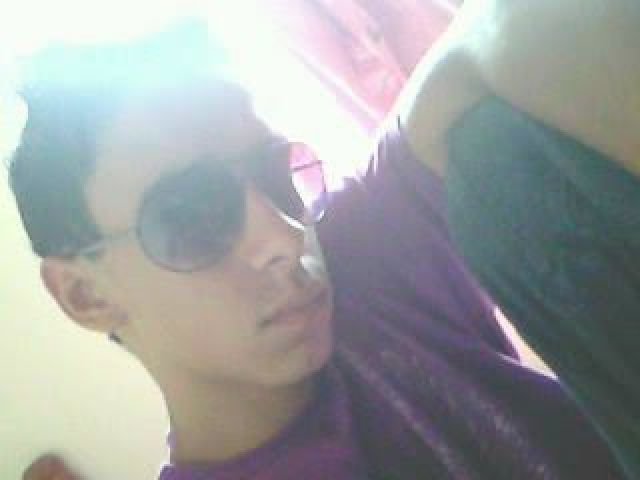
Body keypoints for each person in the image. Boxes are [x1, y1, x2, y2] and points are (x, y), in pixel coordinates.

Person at [14, 0, 637, 479]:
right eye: (191, 214)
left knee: (491, 144)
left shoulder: (356, 264)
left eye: (274, 175)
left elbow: (495, 36)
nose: (283, 238)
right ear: (85, 295)